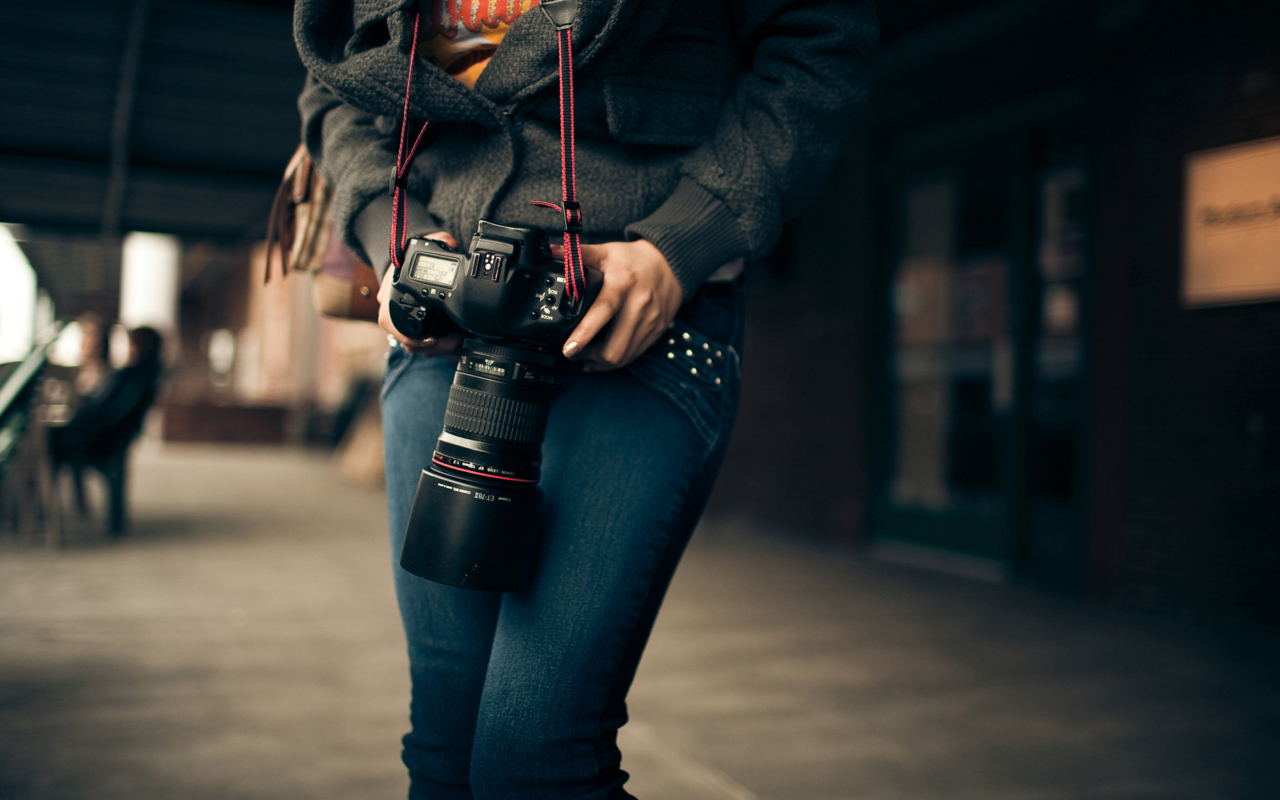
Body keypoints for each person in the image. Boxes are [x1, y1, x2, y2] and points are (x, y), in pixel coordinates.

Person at [293, 0, 875, 796]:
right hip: (449, 325)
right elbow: (331, 77)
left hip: (642, 317)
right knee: (445, 744)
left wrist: (683, 243)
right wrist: (392, 237)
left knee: (535, 757)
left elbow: (820, 41)